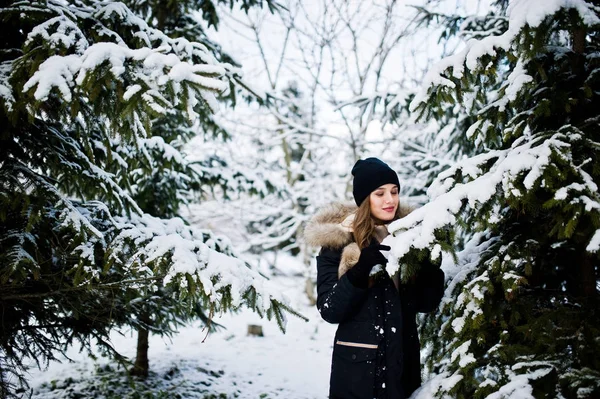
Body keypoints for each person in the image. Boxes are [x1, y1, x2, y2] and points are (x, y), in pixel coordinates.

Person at [304, 157, 445, 399]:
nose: (390, 200)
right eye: (380, 193)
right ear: (364, 198)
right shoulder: (336, 245)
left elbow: (426, 304)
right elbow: (329, 309)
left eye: (394, 191)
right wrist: (359, 271)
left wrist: (430, 267)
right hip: (358, 373)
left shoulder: (410, 237)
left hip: (403, 368)